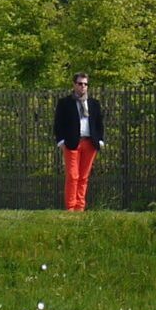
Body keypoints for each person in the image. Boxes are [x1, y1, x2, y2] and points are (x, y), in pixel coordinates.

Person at [53, 72, 106, 211]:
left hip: (90, 142)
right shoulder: (65, 103)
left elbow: (99, 123)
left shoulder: (94, 103)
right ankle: (70, 207)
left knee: (84, 176)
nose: (83, 86)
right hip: (72, 143)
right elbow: (58, 123)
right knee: (72, 175)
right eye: (80, 83)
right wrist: (61, 141)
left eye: (85, 84)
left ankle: (80, 207)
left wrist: (100, 140)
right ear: (74, 85)